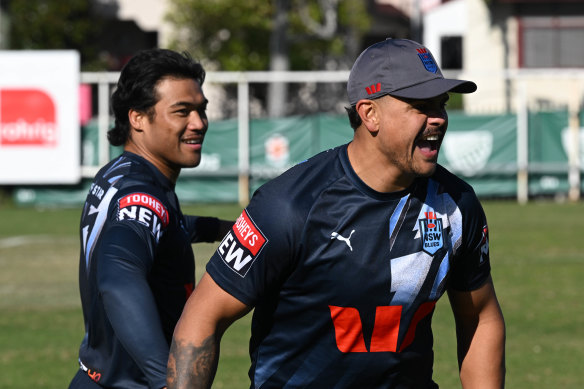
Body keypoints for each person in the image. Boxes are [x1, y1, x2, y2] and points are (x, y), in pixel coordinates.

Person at [167, 38, 506, 388]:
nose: (438, 118)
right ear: (368, 113)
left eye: (441, 104)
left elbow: (480, 317)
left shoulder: (456, 204)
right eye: (421, 106)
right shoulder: (289, 205)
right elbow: (202, 317)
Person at [69, 48, 233, 389]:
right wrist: (167, 382)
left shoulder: (117, 175)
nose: (199, 123)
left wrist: (221, 229)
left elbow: (166, 228)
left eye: (201, 110)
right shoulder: (142, 195)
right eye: (182, 112)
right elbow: (118, 280)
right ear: (138, 118)